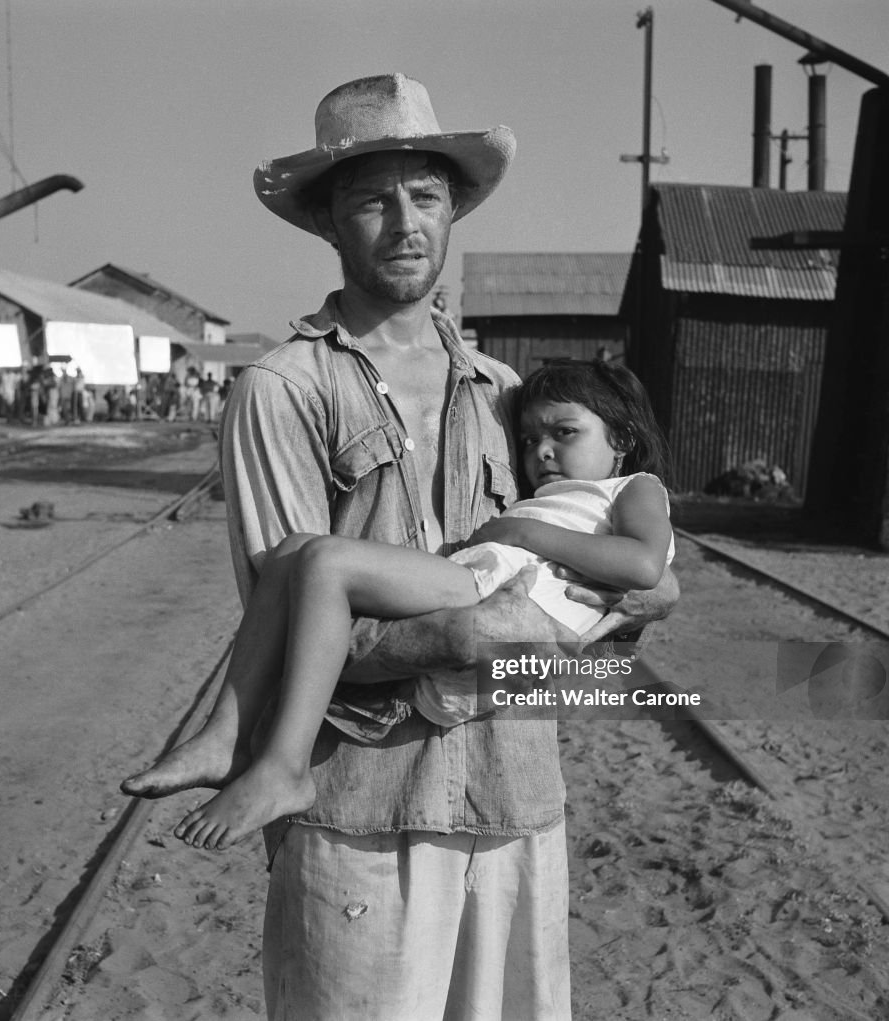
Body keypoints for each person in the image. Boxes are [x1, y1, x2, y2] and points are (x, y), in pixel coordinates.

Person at [123, 74, 677, 1020]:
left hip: (514, 796)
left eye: (424, 194)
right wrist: (464, 635)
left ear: (454, 207)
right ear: (328, 224)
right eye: (370, 200)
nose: (403, 221)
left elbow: (578, 580)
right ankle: (237, 752)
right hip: (362, 811)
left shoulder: (511, 393)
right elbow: (291, 612)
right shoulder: (282, 389)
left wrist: (634, 608)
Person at [125, 357, 674, 851]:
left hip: (505, 595)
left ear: (622, 438)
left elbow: (645, 566)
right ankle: (226, 736)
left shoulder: (634, 488)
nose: (542, 451)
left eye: (565, 432)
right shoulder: (555, 494)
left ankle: (285, 767)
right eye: (530, 439)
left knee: (325, 563)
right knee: (293, 553)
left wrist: (525, 535)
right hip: (484, 582)